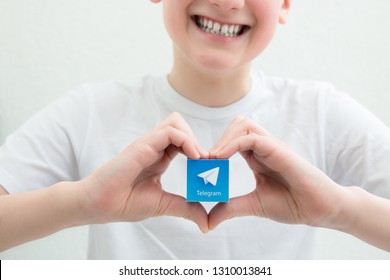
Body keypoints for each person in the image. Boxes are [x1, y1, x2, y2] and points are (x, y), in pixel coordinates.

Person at [0, 0, 390, 258]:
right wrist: (83, 202)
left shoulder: (322, 112)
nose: (228, 1)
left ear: (285, 4)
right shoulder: (87, 112)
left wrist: (342, 210)